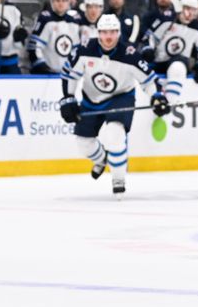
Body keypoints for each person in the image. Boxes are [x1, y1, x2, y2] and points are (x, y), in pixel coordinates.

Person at [59, 14, 170, 197]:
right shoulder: (84, 49)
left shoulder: (130, 54)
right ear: (98, 33)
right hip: (91, 98)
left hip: (120, 98)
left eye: (112, 32)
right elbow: (69, 75)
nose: (108, 37)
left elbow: (149, 81)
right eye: (104, 32)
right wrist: (68, 98)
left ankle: (118, 178)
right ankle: (102, 159)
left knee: (114, 135)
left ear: (118, 33)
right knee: (84, 144)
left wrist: (157, 97)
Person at [140, 0, 198, 101]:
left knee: (178, 67)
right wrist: (148, 49)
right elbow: (151, 38)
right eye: (187, 8)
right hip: (160, 60)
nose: (189, 13)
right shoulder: (167, 19)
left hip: (180, 61)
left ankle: (170, 103)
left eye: (193, 10)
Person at [28, 0, 81, 74]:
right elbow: (34, 46)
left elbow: (76, 50)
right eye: (57, 0)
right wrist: (42, 66)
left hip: (66, 74)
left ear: (69, 2)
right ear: (52, 1)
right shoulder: (45, 19)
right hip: (46, 74)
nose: (61, 4)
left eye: (64, 0)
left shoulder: (74, 22)